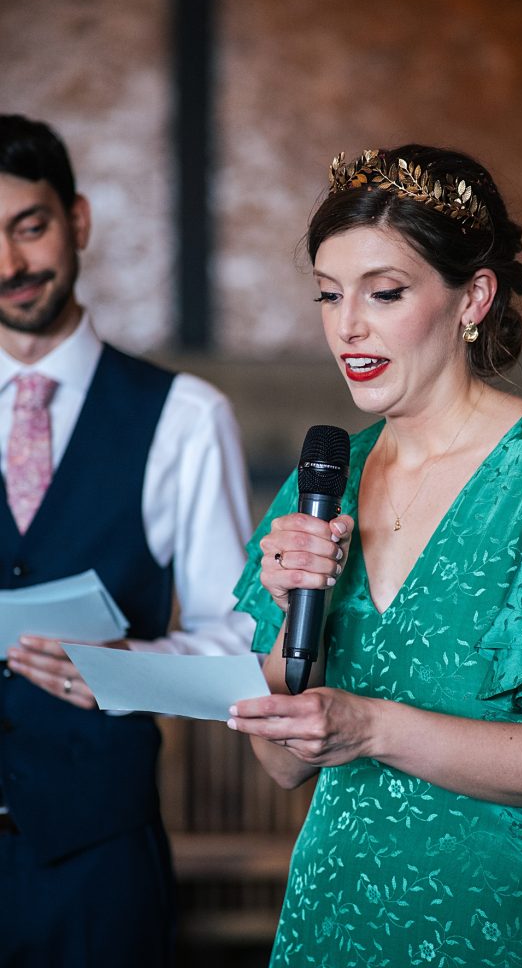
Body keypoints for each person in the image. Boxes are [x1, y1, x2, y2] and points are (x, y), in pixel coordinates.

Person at [227, 145, 522, 968]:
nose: (346, 327)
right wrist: (287, 649)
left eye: (383, 294)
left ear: (472, 297)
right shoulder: (321, 480)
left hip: (500, 919)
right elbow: (282, 767)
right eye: (328, 296)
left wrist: (372, 727)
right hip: (335, 910)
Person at [0, 114, 255, 967]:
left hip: (98, 868)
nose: (7, 266)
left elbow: (244, 645)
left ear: (78, 220)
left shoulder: (186, 417)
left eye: (28, 228)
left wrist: (119, 667)